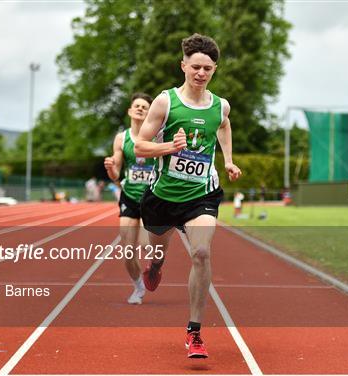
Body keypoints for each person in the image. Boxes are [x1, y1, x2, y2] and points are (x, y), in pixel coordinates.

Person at [134, 33, 241, 358]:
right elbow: (140, 145)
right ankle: (155, 265)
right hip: (163, 195)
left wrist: (228, 160)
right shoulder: (166, 102)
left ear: (214, 69)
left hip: (201, 195)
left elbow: (223, 125)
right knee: (157, 248)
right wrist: (171, 147)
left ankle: (194, 332)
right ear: (183, 66)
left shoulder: (220, 105)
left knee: (202, 254)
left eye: (207, 68)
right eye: (196, 66)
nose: (201, 73)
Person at [104, 92, 154, 304]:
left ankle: (155, 266)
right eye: (137, 105)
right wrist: (110, 170)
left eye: (145, 106)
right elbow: (116, 173)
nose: (141, 108)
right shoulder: (121, 138)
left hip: (151, 197)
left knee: (146, 245)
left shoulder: (156, 136)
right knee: (127, 251)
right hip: (129, 196)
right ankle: (138, 287)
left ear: (150, 112)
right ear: (130, 111)